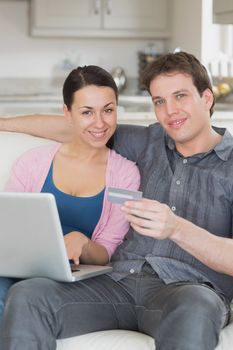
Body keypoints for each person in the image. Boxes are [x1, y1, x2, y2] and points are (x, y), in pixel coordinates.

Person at [1, 51, 233, 350]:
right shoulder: (148, 142)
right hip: (117, 283)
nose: (170, 111)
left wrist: (177, 229)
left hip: (186, 292)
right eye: (159, 101)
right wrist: (3, 123)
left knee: (197, 306)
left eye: (180, 96)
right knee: (30, 295)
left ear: (207, 99)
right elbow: (80, 127)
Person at [0, 66, 140, 324]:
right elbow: (8, 227)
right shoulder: (31, 163)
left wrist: (84, 244)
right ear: (67, 113)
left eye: (108, 110)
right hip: (18, 268)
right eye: (87, 112)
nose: (100, 123)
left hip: (71, 277)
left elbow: (107, 251)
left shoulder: (126, 174)